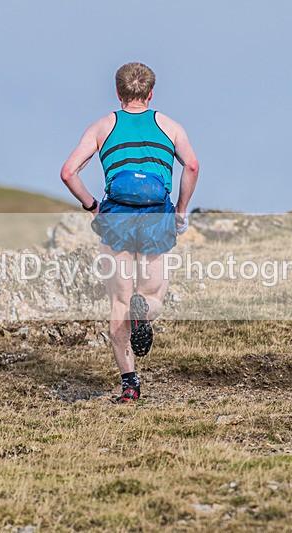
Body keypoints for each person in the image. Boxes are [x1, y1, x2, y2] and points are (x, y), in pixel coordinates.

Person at [60, 62, 200, 402]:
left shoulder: (102, 126)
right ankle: (146, 314)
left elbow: (68, 173)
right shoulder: (170, 127)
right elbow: (192, 166)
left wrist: (94, 207)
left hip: (117, 217)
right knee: (152, 296)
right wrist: (180, 211)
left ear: (118, 92)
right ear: (150, 93)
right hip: (156, 216)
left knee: (119, 303)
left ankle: (129, 385)